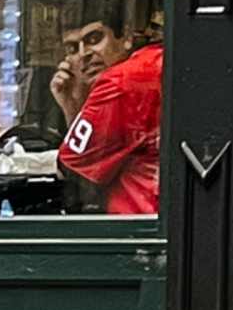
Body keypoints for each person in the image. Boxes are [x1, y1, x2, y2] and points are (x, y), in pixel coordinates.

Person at [58, 21, 163, 215]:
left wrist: (73, 107)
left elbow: (75, 175)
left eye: (94, 39)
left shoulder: (121, 81)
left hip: (137, 223)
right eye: (72, 48)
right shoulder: (158, 60)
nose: (84, 54)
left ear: (126, 37)